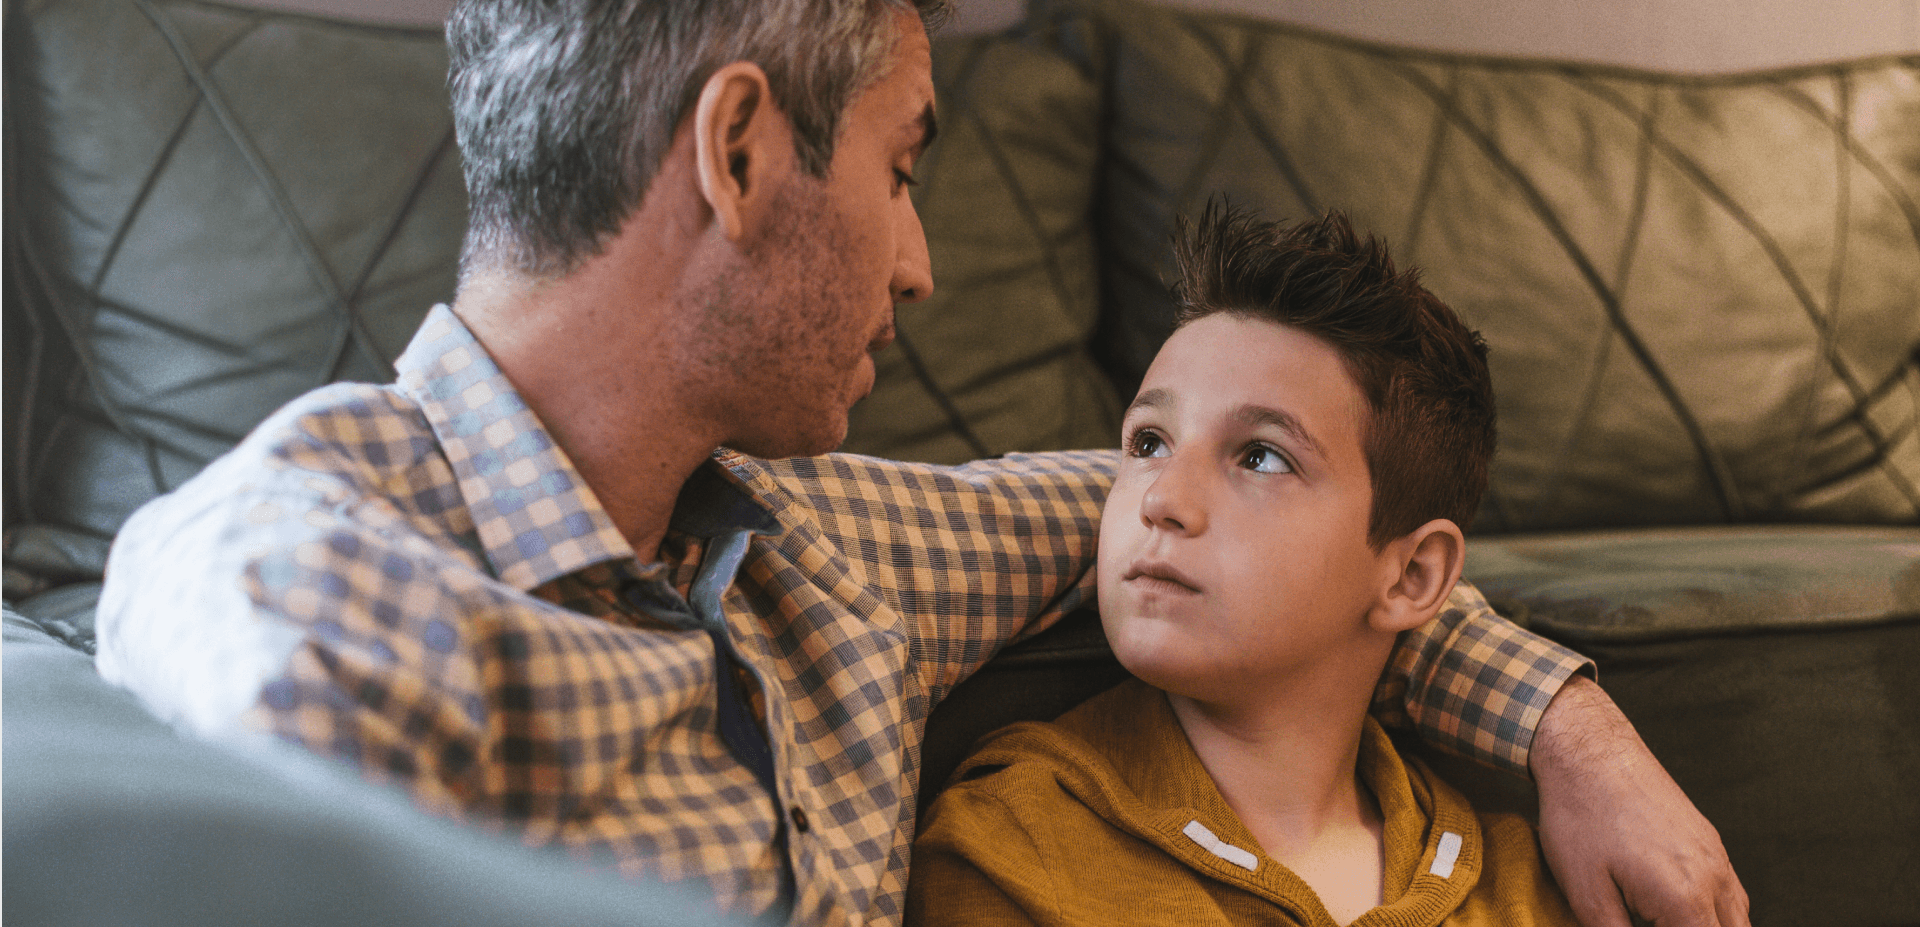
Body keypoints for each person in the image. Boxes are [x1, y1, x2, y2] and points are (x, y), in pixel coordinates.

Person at [92, 2, 1746, 926]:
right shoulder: (310, 583)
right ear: (742, 151)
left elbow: (1300, 557)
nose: (920, 263)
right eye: (901, 170)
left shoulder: (832, 550)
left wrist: (1576, 734)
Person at [908, 205, 1583, 925]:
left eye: (1261, 456)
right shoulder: (1012, 846)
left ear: (1412, 576)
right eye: (1148, 443)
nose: (1163, 499)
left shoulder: (1519, 883)